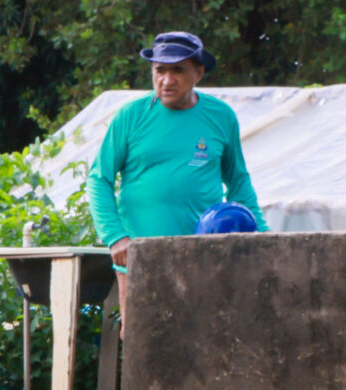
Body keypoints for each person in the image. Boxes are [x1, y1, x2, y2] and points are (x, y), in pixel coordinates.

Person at [88, 31, 266, 299]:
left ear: (199, 73)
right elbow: (99, 178)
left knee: (205, 337)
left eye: (178, 71)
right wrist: (115, 237)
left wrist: (264, 236)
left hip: (204, 260)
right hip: (140, 259)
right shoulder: (131, 116)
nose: (167, 81)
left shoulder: (221, 116)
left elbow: (238, 182)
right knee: (144, 339)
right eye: (160, 70)